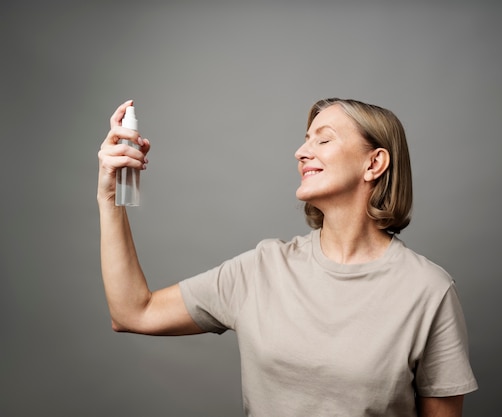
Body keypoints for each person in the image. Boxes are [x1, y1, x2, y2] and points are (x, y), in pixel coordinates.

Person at [97, 98, 478, 417]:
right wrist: (111, 198)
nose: (301, 152)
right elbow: (134, 312)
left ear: (374, 163)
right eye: (304, 140)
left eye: (323, 140)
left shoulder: (428, 291)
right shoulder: (262, 269)